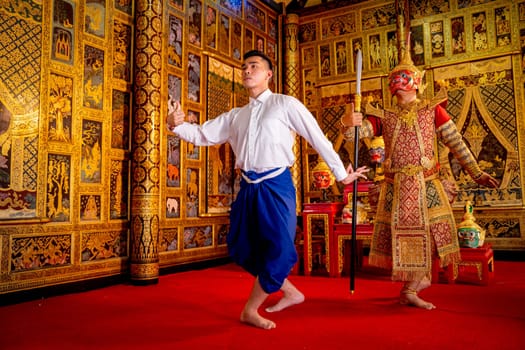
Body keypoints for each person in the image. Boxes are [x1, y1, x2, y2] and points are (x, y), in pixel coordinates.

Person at [167, 50, 368, 329]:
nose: (247, 70)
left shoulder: (285, 104)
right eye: (244, 67)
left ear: (268, 74)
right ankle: (290, 292)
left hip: (276, 185)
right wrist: (176, 126)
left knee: (279, 249)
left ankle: (250, 309)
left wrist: (338, 172)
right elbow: (201, 134)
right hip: (247, 188)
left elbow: (316, 137)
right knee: (244, 247)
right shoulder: (236, 115)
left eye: (254, 66)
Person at [343, 47, 499, 310]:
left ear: (417, 81)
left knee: (436, 236)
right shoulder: (384, 116)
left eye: (404, 76)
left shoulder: (432, 110)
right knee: (403, 238)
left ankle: (414, 285)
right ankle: (410, 288)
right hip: (397, 188)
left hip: (427, 185)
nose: (398, 82)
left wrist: (475, 171)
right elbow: (354, 135)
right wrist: (349, 122)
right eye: (394, 77)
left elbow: (456, 142)